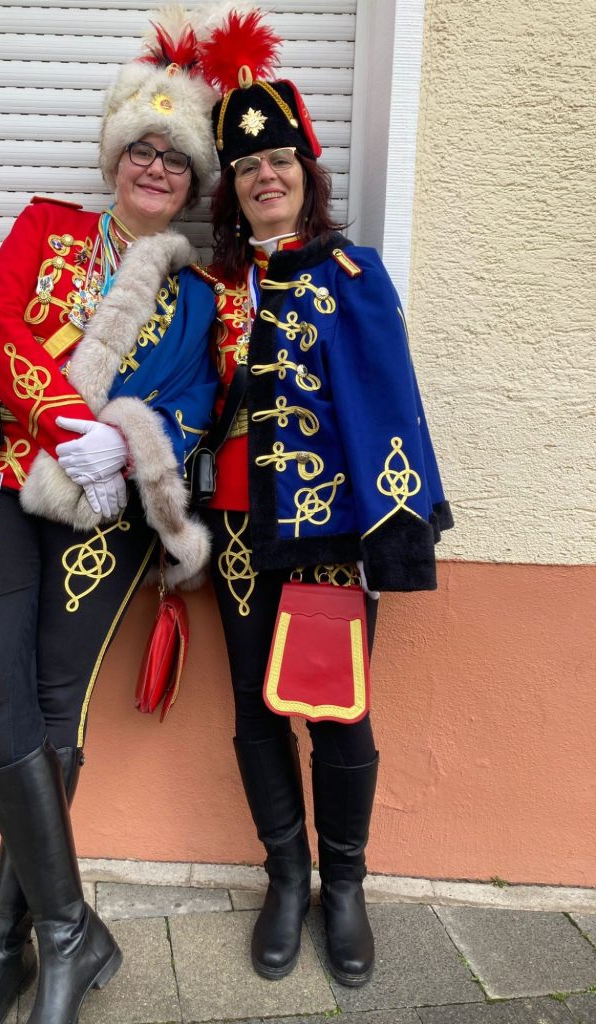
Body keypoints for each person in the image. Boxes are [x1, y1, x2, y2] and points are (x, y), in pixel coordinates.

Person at [0, 15, 219, 1024]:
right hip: (3, 476)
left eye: (175, 157)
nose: (156, 166)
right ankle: (68, 931)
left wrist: (130, 445)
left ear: (194, 182)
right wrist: (67, 424)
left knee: (58, 707)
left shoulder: (197, 298)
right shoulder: (46, 229)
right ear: (114, 158)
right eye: (142, 148)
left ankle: (6, 951)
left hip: (104, 512)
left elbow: (196, 403)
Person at [195, 9, 454, 988]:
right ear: (232, 187)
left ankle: (344, 884)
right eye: (248, 166)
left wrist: (390, 534)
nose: (266, 175)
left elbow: (388, 404)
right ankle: (286, 875)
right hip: (233, 529)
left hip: (328, 534)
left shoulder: (352, 274)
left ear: (307, 173)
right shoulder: (213, 287)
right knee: (253, 706)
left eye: (281, 161)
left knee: (336, 709)